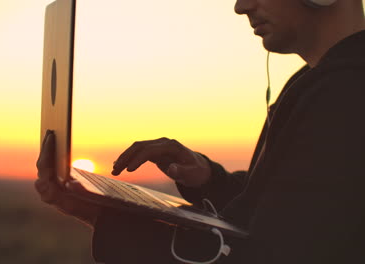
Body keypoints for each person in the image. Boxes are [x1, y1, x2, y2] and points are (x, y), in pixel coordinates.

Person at [36, 0, 365, 262]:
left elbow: (268, 255)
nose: (241, 6)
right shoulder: (316, 82)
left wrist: (100, 216)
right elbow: (278, 216)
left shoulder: (346, 91)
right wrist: (208, 178)